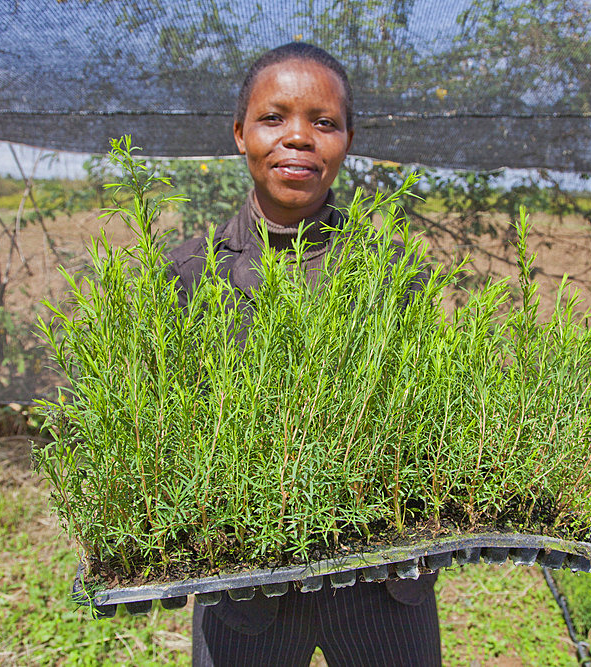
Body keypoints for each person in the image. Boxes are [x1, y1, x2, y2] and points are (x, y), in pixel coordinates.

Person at [164, 43, 442, 667]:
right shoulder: (190, 271)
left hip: (383, 581)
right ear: (240, 135)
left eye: (324, 122)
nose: (299, 137)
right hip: (243, 587)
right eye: (274, 118)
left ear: (347, 139)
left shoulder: (389, 270)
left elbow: (433, 412)